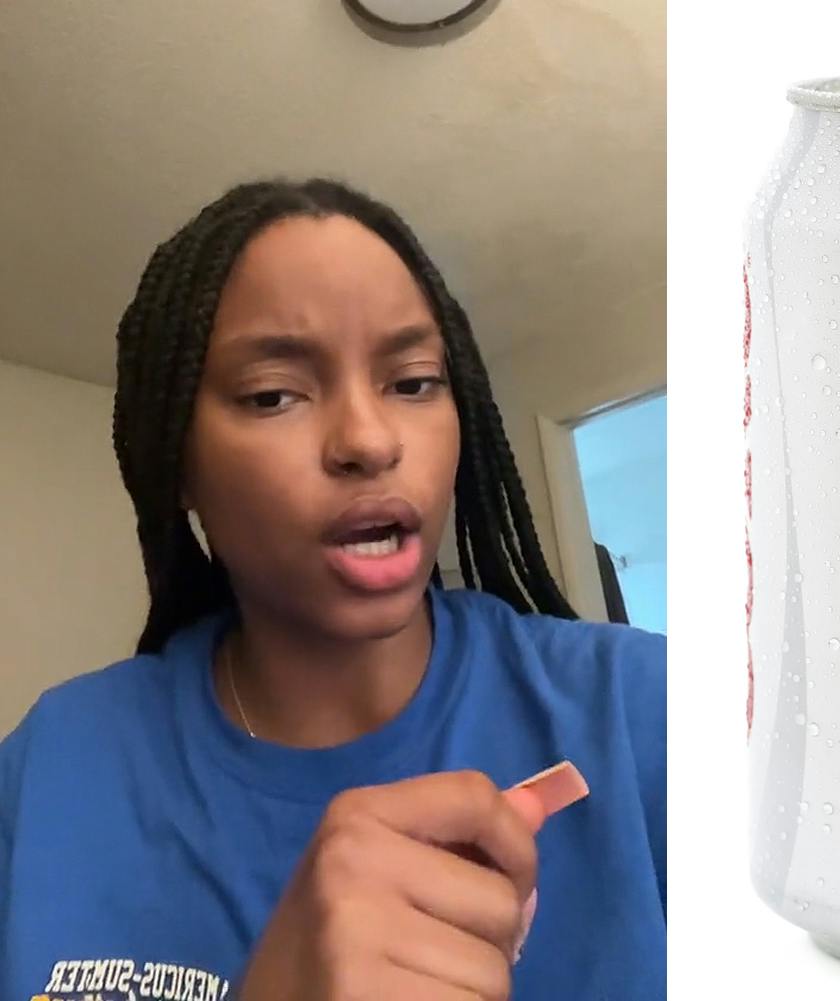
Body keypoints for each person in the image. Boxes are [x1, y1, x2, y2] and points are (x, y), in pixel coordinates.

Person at [0, 179, 665, 998]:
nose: (368, 439)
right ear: (176, 464)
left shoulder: (643, 706)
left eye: (414, 381)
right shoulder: (48, 768)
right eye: (274, 394)